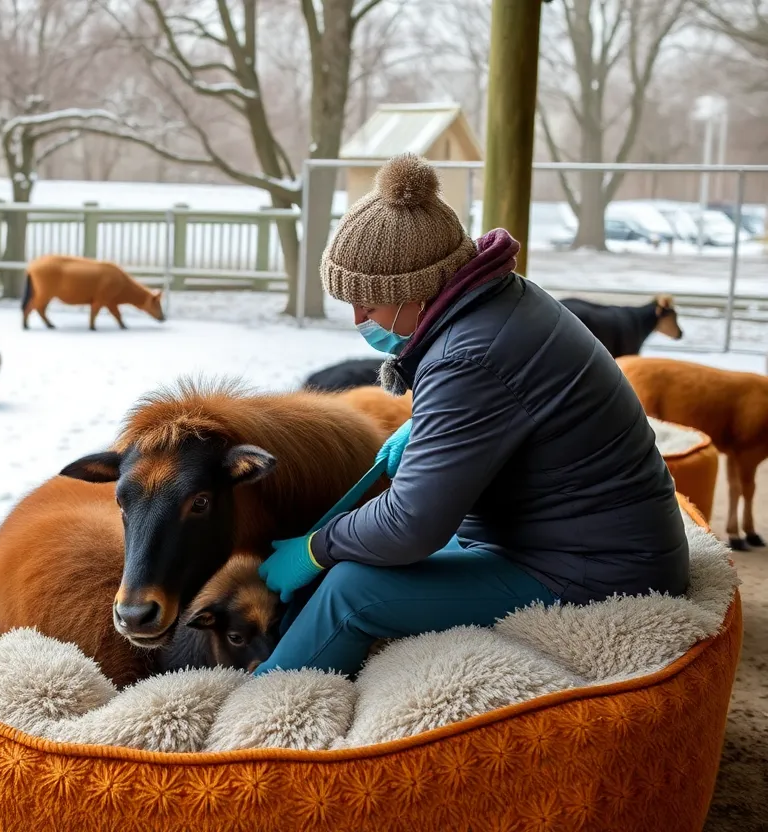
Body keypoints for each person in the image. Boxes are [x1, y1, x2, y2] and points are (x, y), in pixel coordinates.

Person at [255, 154, 689, 676]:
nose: (356, 319)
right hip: (591, 540)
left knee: (350, 588)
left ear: (414, 290)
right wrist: (425, 427)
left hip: (596, 573)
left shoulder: (467, 356)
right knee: (360, 548)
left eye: (367, 304)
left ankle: (259, 723)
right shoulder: (499, 301)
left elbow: (410, 527)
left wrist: (314, 547)